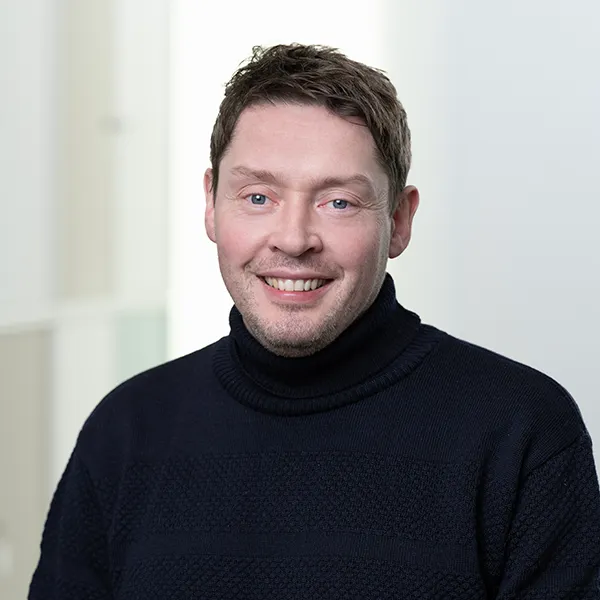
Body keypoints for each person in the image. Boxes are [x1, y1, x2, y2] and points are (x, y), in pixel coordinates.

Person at [30, 44, 600, 599]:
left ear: (399, 221)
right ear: (211, 204)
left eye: (339, 202)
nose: (294, 239)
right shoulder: (127, 430)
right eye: (258, 197)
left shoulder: (521, 431)